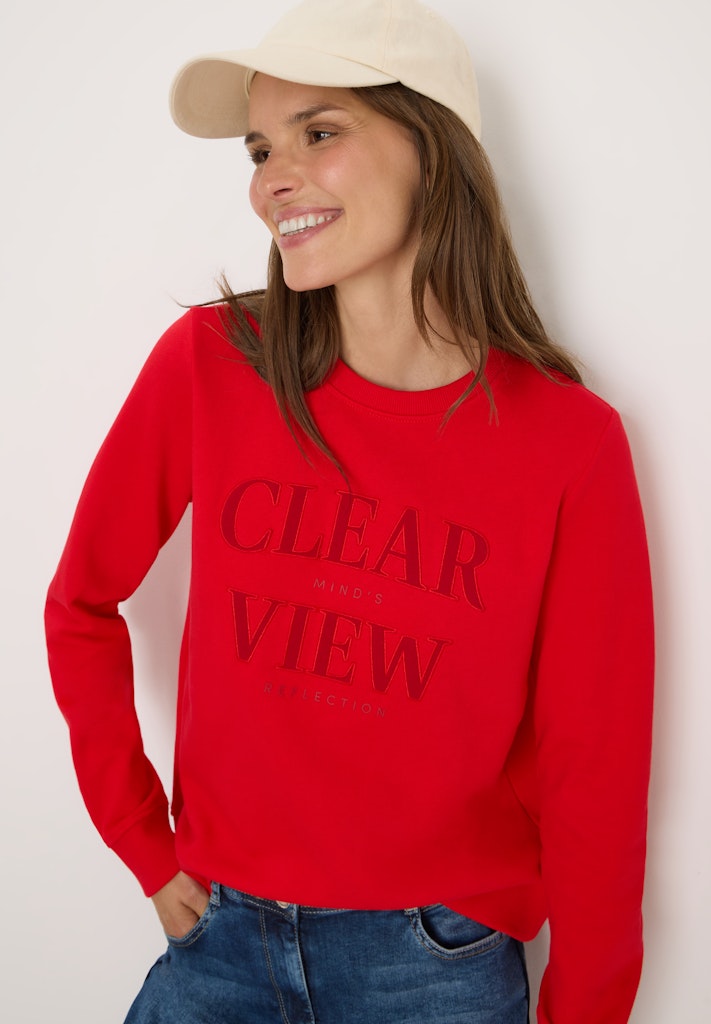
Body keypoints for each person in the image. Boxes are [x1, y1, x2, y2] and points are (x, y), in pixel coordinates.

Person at [44, 0, 654, 1021]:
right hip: (219, 944)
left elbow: (594, 772)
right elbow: (80, 605)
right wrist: (143, 842)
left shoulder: (568, 442)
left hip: (435, 966)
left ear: (430, 147)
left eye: (318, 132)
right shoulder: (210, 366)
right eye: (259, 149)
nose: (270, 180)